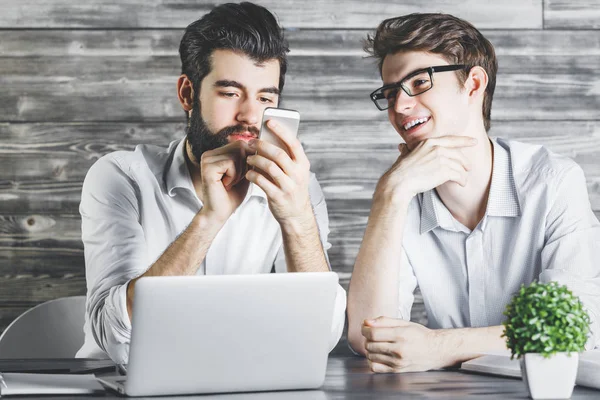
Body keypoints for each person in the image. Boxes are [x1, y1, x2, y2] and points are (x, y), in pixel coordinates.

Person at [75, 2, 346, 364]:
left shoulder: (296, 189)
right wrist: (210, 219)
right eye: (230, 92)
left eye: (266, 97)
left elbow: (321, 336)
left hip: (243, 384)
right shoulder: (121, 178)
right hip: (116, 385)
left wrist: (296, 217)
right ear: (188, 93)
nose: (250, 115)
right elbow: (115, 337)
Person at [347, 13, 600, 373]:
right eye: (390, 93)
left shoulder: (553, 182)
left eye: (419, 82)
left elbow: (576, 323)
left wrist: (439, 346)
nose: (399, 107)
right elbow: (365, 335)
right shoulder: (401, 196)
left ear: (474, 84)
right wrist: (389, 194)